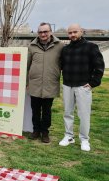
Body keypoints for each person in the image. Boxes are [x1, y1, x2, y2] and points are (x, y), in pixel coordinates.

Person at [59, 23, 105, 152]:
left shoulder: (91, 47)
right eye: (70, 33)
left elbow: (99, 66)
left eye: (75, 32)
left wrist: (93, 82)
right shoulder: (65, 49)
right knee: (68, 113)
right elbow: (62, 65)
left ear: (81, 32)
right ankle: (69, 136)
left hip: (83, 86)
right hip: (68, 84)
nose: (72, 35)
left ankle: (84, 139)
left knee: (84, 114)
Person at [27, 22, 64, 143]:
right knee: (35, 110)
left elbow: (64, 64)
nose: (43, 34)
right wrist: (27, 82)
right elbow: (27, 65)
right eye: (41, 32)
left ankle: (45, 132)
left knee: (47, 111)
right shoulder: (31, 46)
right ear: (38, 33)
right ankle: (36, 130)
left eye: (45, 31)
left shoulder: (60, 46)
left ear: (50, 32)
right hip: (35, 84)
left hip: (50, 84)